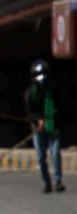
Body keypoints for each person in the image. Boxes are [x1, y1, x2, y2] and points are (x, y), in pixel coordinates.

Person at [24, 59, 66, 193]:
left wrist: (52, 118)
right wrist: (38, 121)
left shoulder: (54, 90)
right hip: (38, 128)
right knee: (41, 157)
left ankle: (58, 180)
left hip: (53, 126)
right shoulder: (31, 92)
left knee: (55, 153)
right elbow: (30, 112)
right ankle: (46, 182)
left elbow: (62, 106)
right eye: (38, 74)